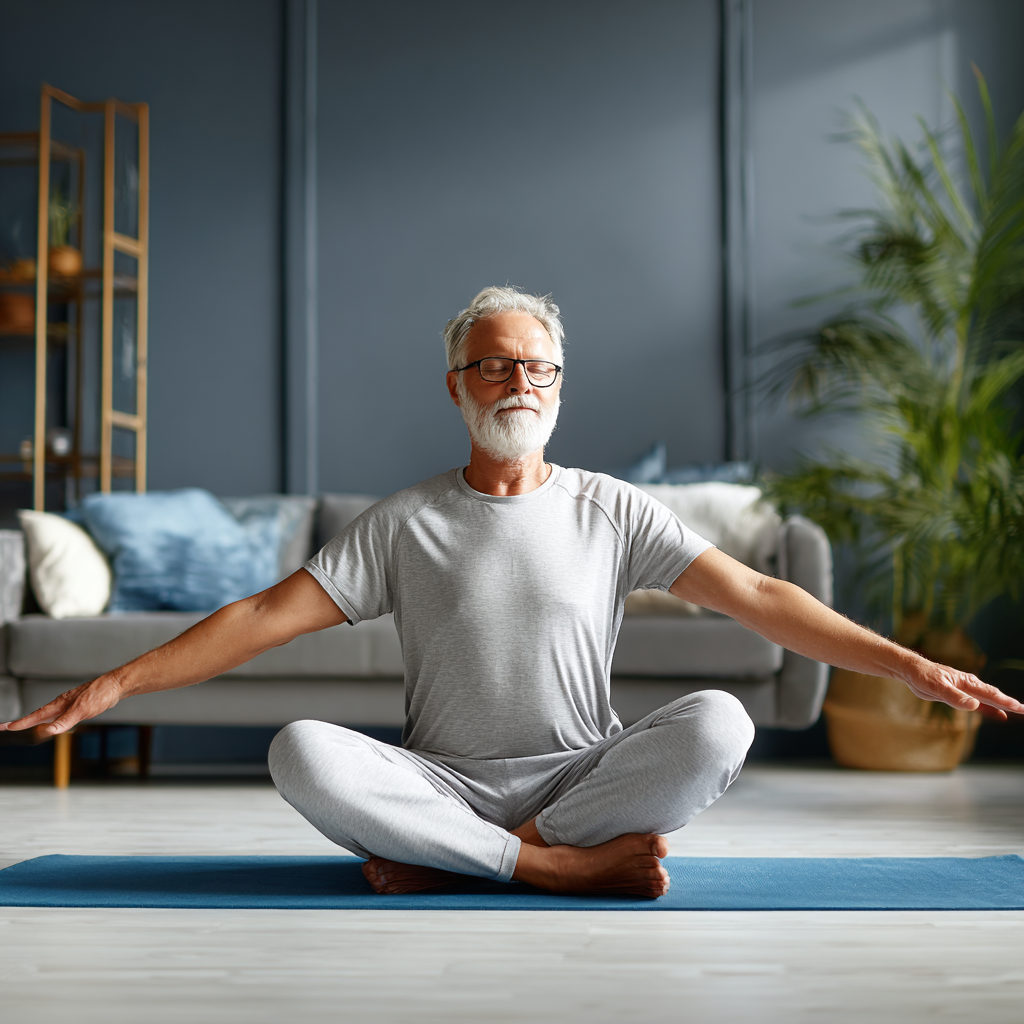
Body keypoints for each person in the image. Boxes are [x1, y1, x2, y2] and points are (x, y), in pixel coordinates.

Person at [3, 286, 1020, 899]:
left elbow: (758, 593)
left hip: (584, 781)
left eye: (537, 367)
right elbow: (264, 617)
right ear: (456, 385)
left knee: (721, 721)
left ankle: (478, 860)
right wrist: (116, 683)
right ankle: (555, 869)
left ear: (560, 385)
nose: (518, 382)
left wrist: (908, 664)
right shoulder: (405, 520)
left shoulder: (613, 509)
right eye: (492, 366)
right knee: (299, 748)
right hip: (440, 784)